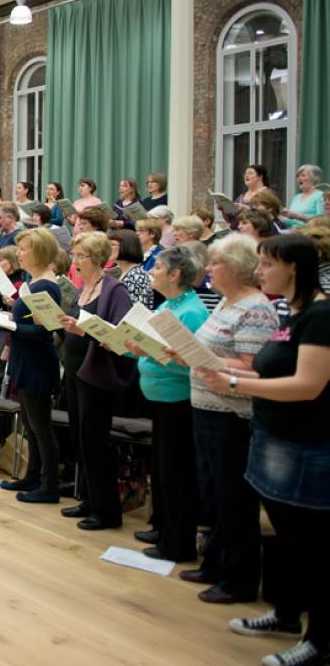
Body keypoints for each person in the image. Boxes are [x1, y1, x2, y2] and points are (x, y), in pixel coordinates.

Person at [197, 236, 330, 666]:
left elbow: (308, 385)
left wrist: (235, 383)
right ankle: (287, 615)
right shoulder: (288, 312)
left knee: (312, 546)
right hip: (274, 434)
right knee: (286, 539)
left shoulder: (320, 314)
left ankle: (321, 643)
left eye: (267, 264)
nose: (259, 272)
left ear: (293, 267)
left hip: (307, 444)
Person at [182, 233, 278, 604]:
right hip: (206, 406)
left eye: (215, 263)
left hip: (233, 414)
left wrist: (204, 359)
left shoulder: (255, 308)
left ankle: (238, 578)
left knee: (233, 498)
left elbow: (254, 365)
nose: (208, 268)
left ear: (237, 268)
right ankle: (215, 563)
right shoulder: (226, 302)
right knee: (213, 493)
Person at [125, 247, 209, 563]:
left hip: (179, 401)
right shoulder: (170, 305)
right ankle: (162, 527)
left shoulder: (192, 311)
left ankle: (178, 542)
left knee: (177, 473)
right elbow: (153, 348)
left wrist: (151, 352)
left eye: (157, 267)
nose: (151, 271)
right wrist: (127, 346)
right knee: (162, 470)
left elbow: (195, 363)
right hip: (160, 399)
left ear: (175, 274)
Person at [58, 232, 135, 531]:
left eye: (81, 256)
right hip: (76, 371)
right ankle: (90, 499)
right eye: (74, 255)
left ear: (100, 259)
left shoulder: (114, 289)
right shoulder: (82, 289)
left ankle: (107, 511)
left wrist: (83, 331)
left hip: (97, 375)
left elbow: (120, 336)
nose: (75, 262)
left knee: (95, 442)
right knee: (80, 439)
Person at [4, 228, 65, 502]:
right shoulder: (34, 282)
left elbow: (44, 332)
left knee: (41, 426)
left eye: (24, 248)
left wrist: (10, 325)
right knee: (30, 424)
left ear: (39, 252)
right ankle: (32, 476)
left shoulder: (46, 286)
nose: (19, 253)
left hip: (37, 362)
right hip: (26, 359)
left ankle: (49, 485)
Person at [109, 229, 153, 308]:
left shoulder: (137, 276)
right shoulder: (124, 272)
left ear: (126, 246)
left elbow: (135, 312)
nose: (107, 249)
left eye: (112, 244)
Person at [280, 165, 324, 229]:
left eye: (303, 175)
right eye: (298, 176)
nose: (299, 178)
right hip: (292, 232)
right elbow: (293, 222)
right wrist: (281, 218)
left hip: (309, 232)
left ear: (313, 179)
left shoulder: (320, 195)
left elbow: (321, 218)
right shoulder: (296, 197)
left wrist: (298, 216)